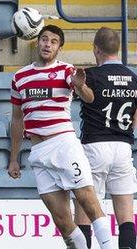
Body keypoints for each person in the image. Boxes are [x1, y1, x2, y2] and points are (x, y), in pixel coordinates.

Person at [8, 25, 115, 249]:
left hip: (63, 145)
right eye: (44, 39)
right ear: (37, 42)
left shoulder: (66, 71)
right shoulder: (20, 77)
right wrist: (14, 158)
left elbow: (89, 98)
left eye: (53, 41)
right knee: (63, 223)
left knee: (88, 200)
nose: (48, 44)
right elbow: (17, 119)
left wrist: (80, 86)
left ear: (59, 48)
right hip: (38, 152)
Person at [73, 27, 137, 249]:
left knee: (84, 212)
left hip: (95, 146)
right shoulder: (133, 78)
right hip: (123, 147)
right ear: (117, 49)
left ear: (95, 49)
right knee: (126, 216)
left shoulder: (90, 75)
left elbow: (83, 96)